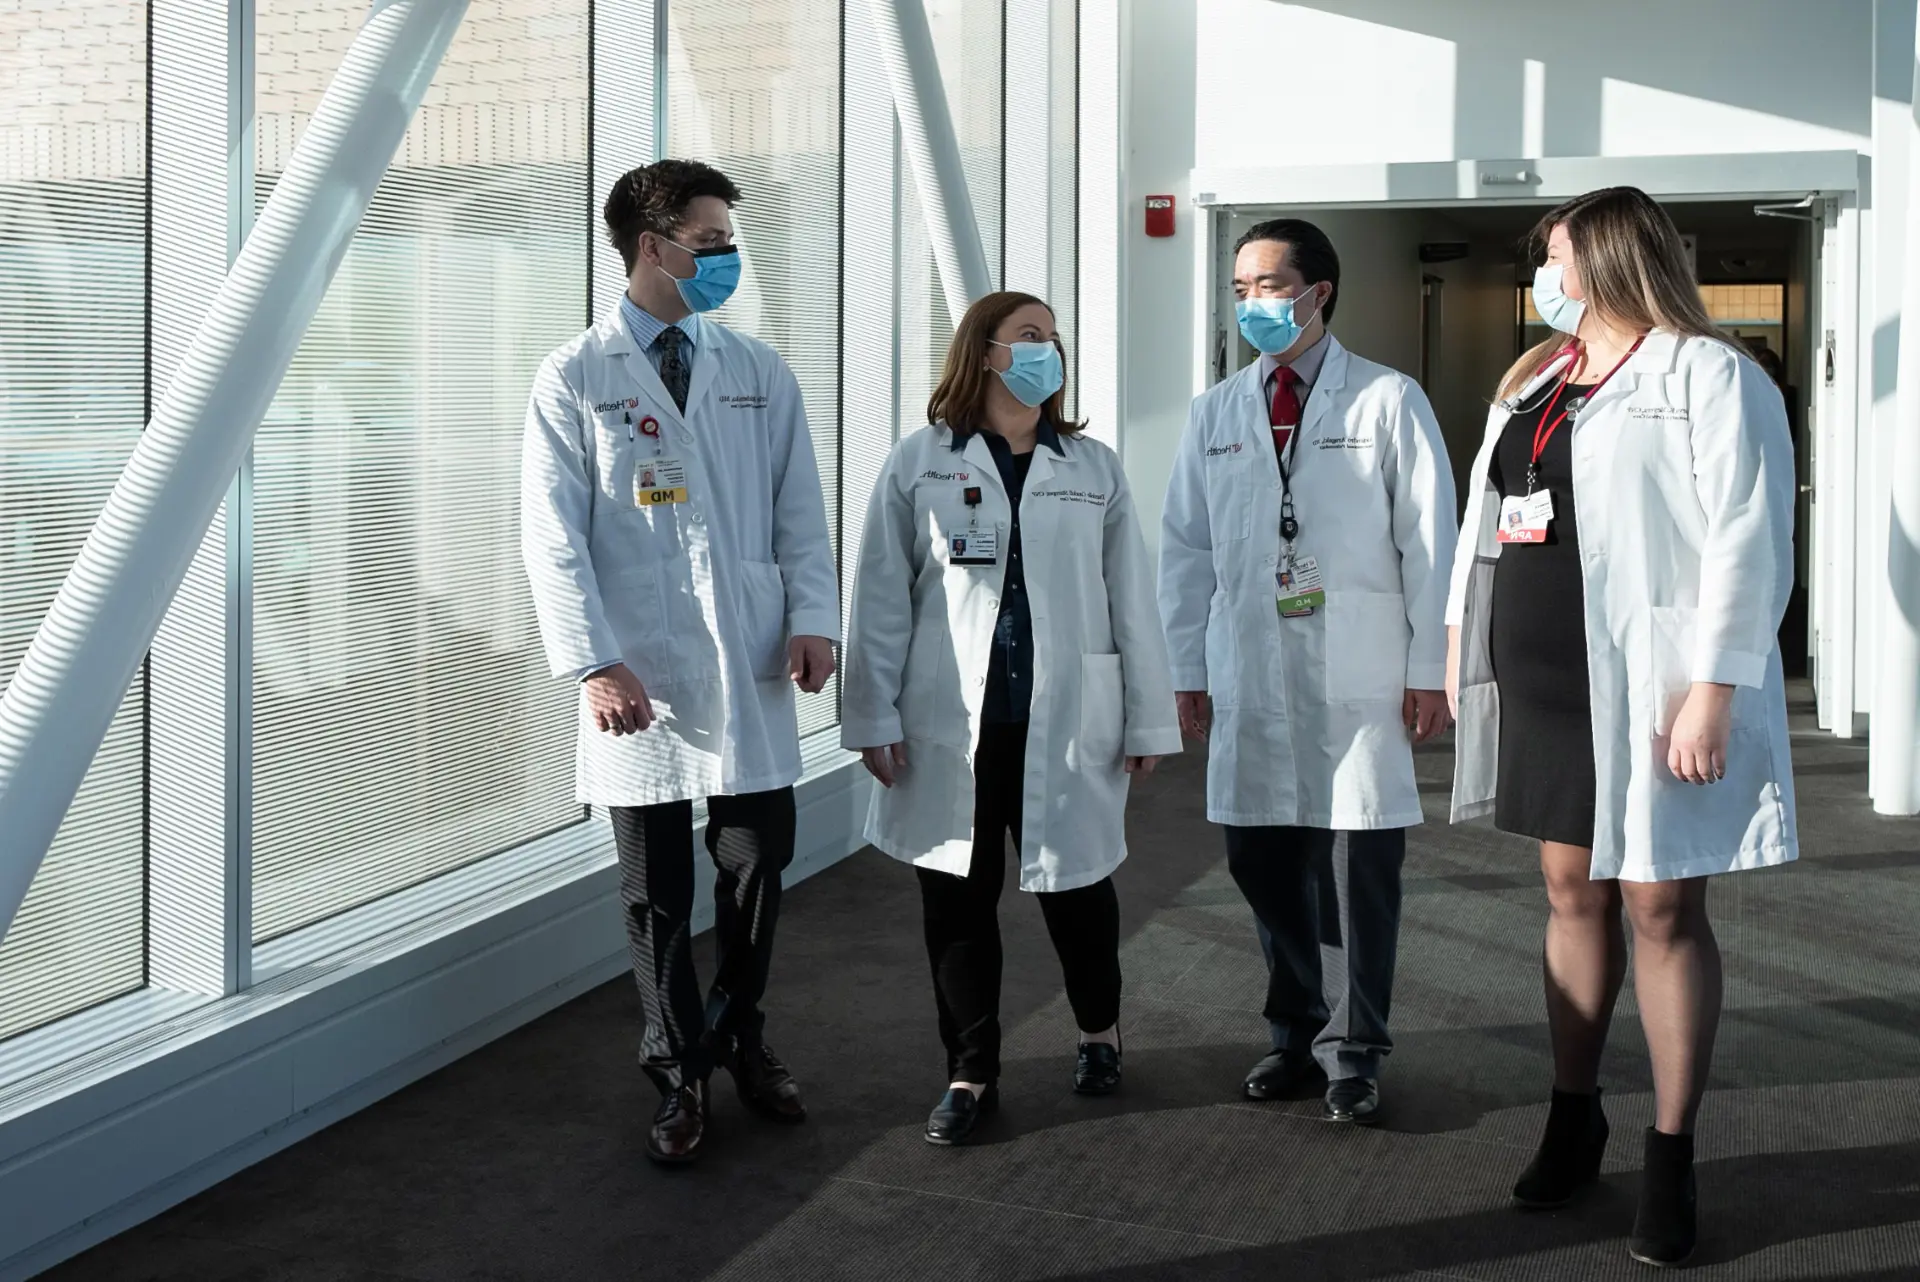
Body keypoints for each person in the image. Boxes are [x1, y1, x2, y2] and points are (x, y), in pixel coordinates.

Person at [1445, 186, 1798, 1267]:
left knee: (1659, 902)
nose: (1543, 273)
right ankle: (1574, 1110)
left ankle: (1671, 1151)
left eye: (1554, 253)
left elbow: (1749, 530)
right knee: (1571, 890)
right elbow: (1489, 528)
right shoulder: (1534, 381)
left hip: (1656, 680)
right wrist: (1461, 651)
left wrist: (1715, 686)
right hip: (1549, 679)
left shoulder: (1709, 372)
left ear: (1604, 257)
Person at [520, 160, 839, 1166]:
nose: (726, 259)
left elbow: (800, 512)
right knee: (654, 887)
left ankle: (743, 1038)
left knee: (755, 865)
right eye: (710, 242)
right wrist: (593, 664)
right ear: (651, 248)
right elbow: (551, 537)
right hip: (639, 673)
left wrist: (813, 617)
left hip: (746, 659)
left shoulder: (757, 371)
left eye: (728, 241)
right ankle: (678, 1070)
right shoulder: (576, 374)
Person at [841, 292, 1179, 1146]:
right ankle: (970, 1071)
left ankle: (1099, 1033)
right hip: (953, 726)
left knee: (1078, 891)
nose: (1047, 351)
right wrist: (870, 713)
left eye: (1054, 339)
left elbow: (1131, 604)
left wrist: (1146, 719)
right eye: (1030, 337)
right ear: (983, 352)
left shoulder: (1091, 465)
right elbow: (881, 598)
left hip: (1064, 719)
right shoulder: (920, 461)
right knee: (957, 903)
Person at [1159, 219, 1456, 1127]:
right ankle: (1295, 1029)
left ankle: (1354, 1050)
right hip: (1250, 665)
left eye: (1267, 286)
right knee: (1263, 859)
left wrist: (1429, 666)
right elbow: (1184, 552)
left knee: (1359, 866)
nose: (1252, 303)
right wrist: (1186, 669)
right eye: (1241, 289)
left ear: (1318, 293)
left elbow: (1431, 543)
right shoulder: (1216, 412)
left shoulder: (1388, 400)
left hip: (1359, 670)